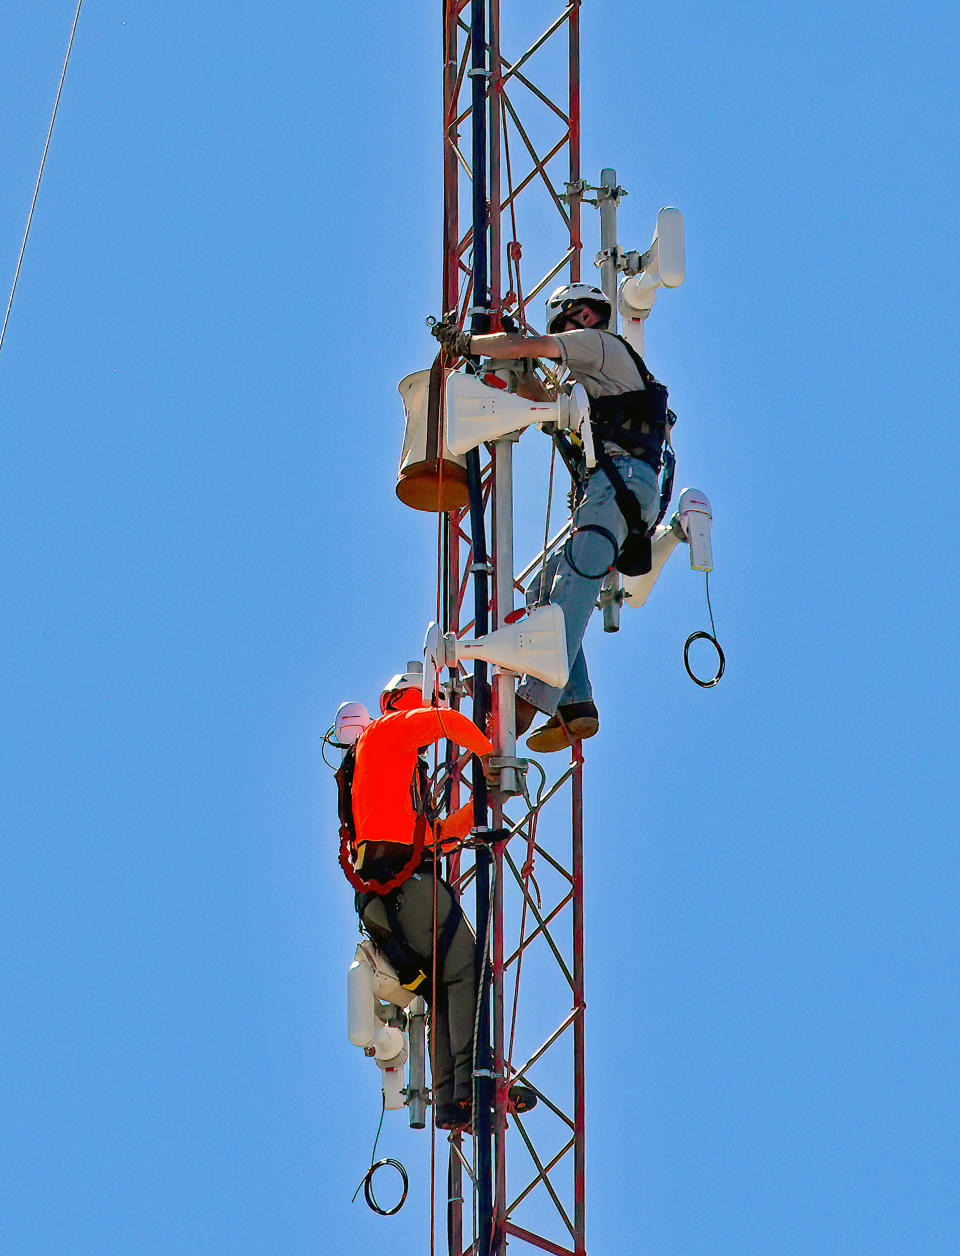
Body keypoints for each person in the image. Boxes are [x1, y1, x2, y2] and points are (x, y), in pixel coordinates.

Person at [432, 285, 671, 751]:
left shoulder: (598, 344)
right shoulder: (589, 386)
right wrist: (520, 371)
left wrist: (468, 344)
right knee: (544, 587)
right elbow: (546, 409)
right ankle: (574, 703)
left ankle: (535, 698)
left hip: (617, 483)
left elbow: (528, 348)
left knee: (574, 584)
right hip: (620, 488)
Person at [335, 671, 492, 1130]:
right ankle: (470, 1086)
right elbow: (442, 721)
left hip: (382, 901)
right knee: (467, 967)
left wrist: (481, 802)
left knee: (444, 982)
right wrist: (490, 755)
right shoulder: (390, 731)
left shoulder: (378, 767)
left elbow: (434, 839)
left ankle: (453, 1101)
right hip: (406, 889)